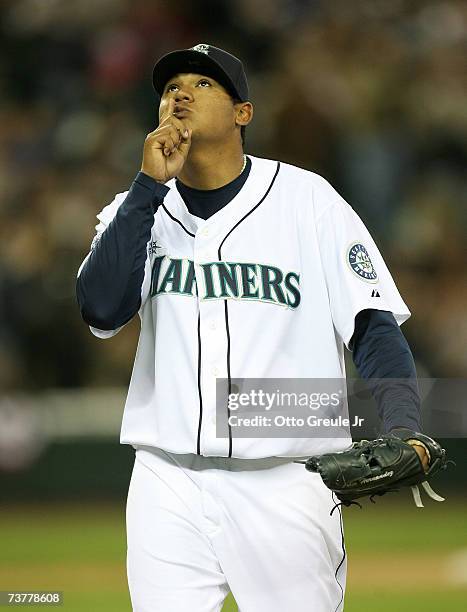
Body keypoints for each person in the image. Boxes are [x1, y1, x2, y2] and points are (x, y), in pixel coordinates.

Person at [76, 43, 427, 612]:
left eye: (204, 84)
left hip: (285, 478)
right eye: (171, 87)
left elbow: (372, 326)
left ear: (244, 113)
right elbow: (101, 310)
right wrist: (146, 188)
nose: (181, 93)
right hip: (166, 481)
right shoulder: (135, 206)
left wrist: (404, 424)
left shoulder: (308, 200)